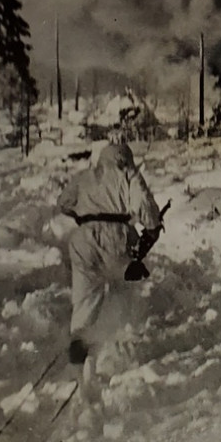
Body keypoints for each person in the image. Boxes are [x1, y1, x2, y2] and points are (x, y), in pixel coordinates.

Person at [57, 143, 162, 394]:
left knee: (84, 302)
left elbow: (64, 203)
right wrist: (150, 226)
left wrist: (87, 214)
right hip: (116, 238)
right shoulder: (129, 175)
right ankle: (118, 353)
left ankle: (76, 365)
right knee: (124, 290)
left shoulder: (85, 176)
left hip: (83, 240)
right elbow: (147, 212)